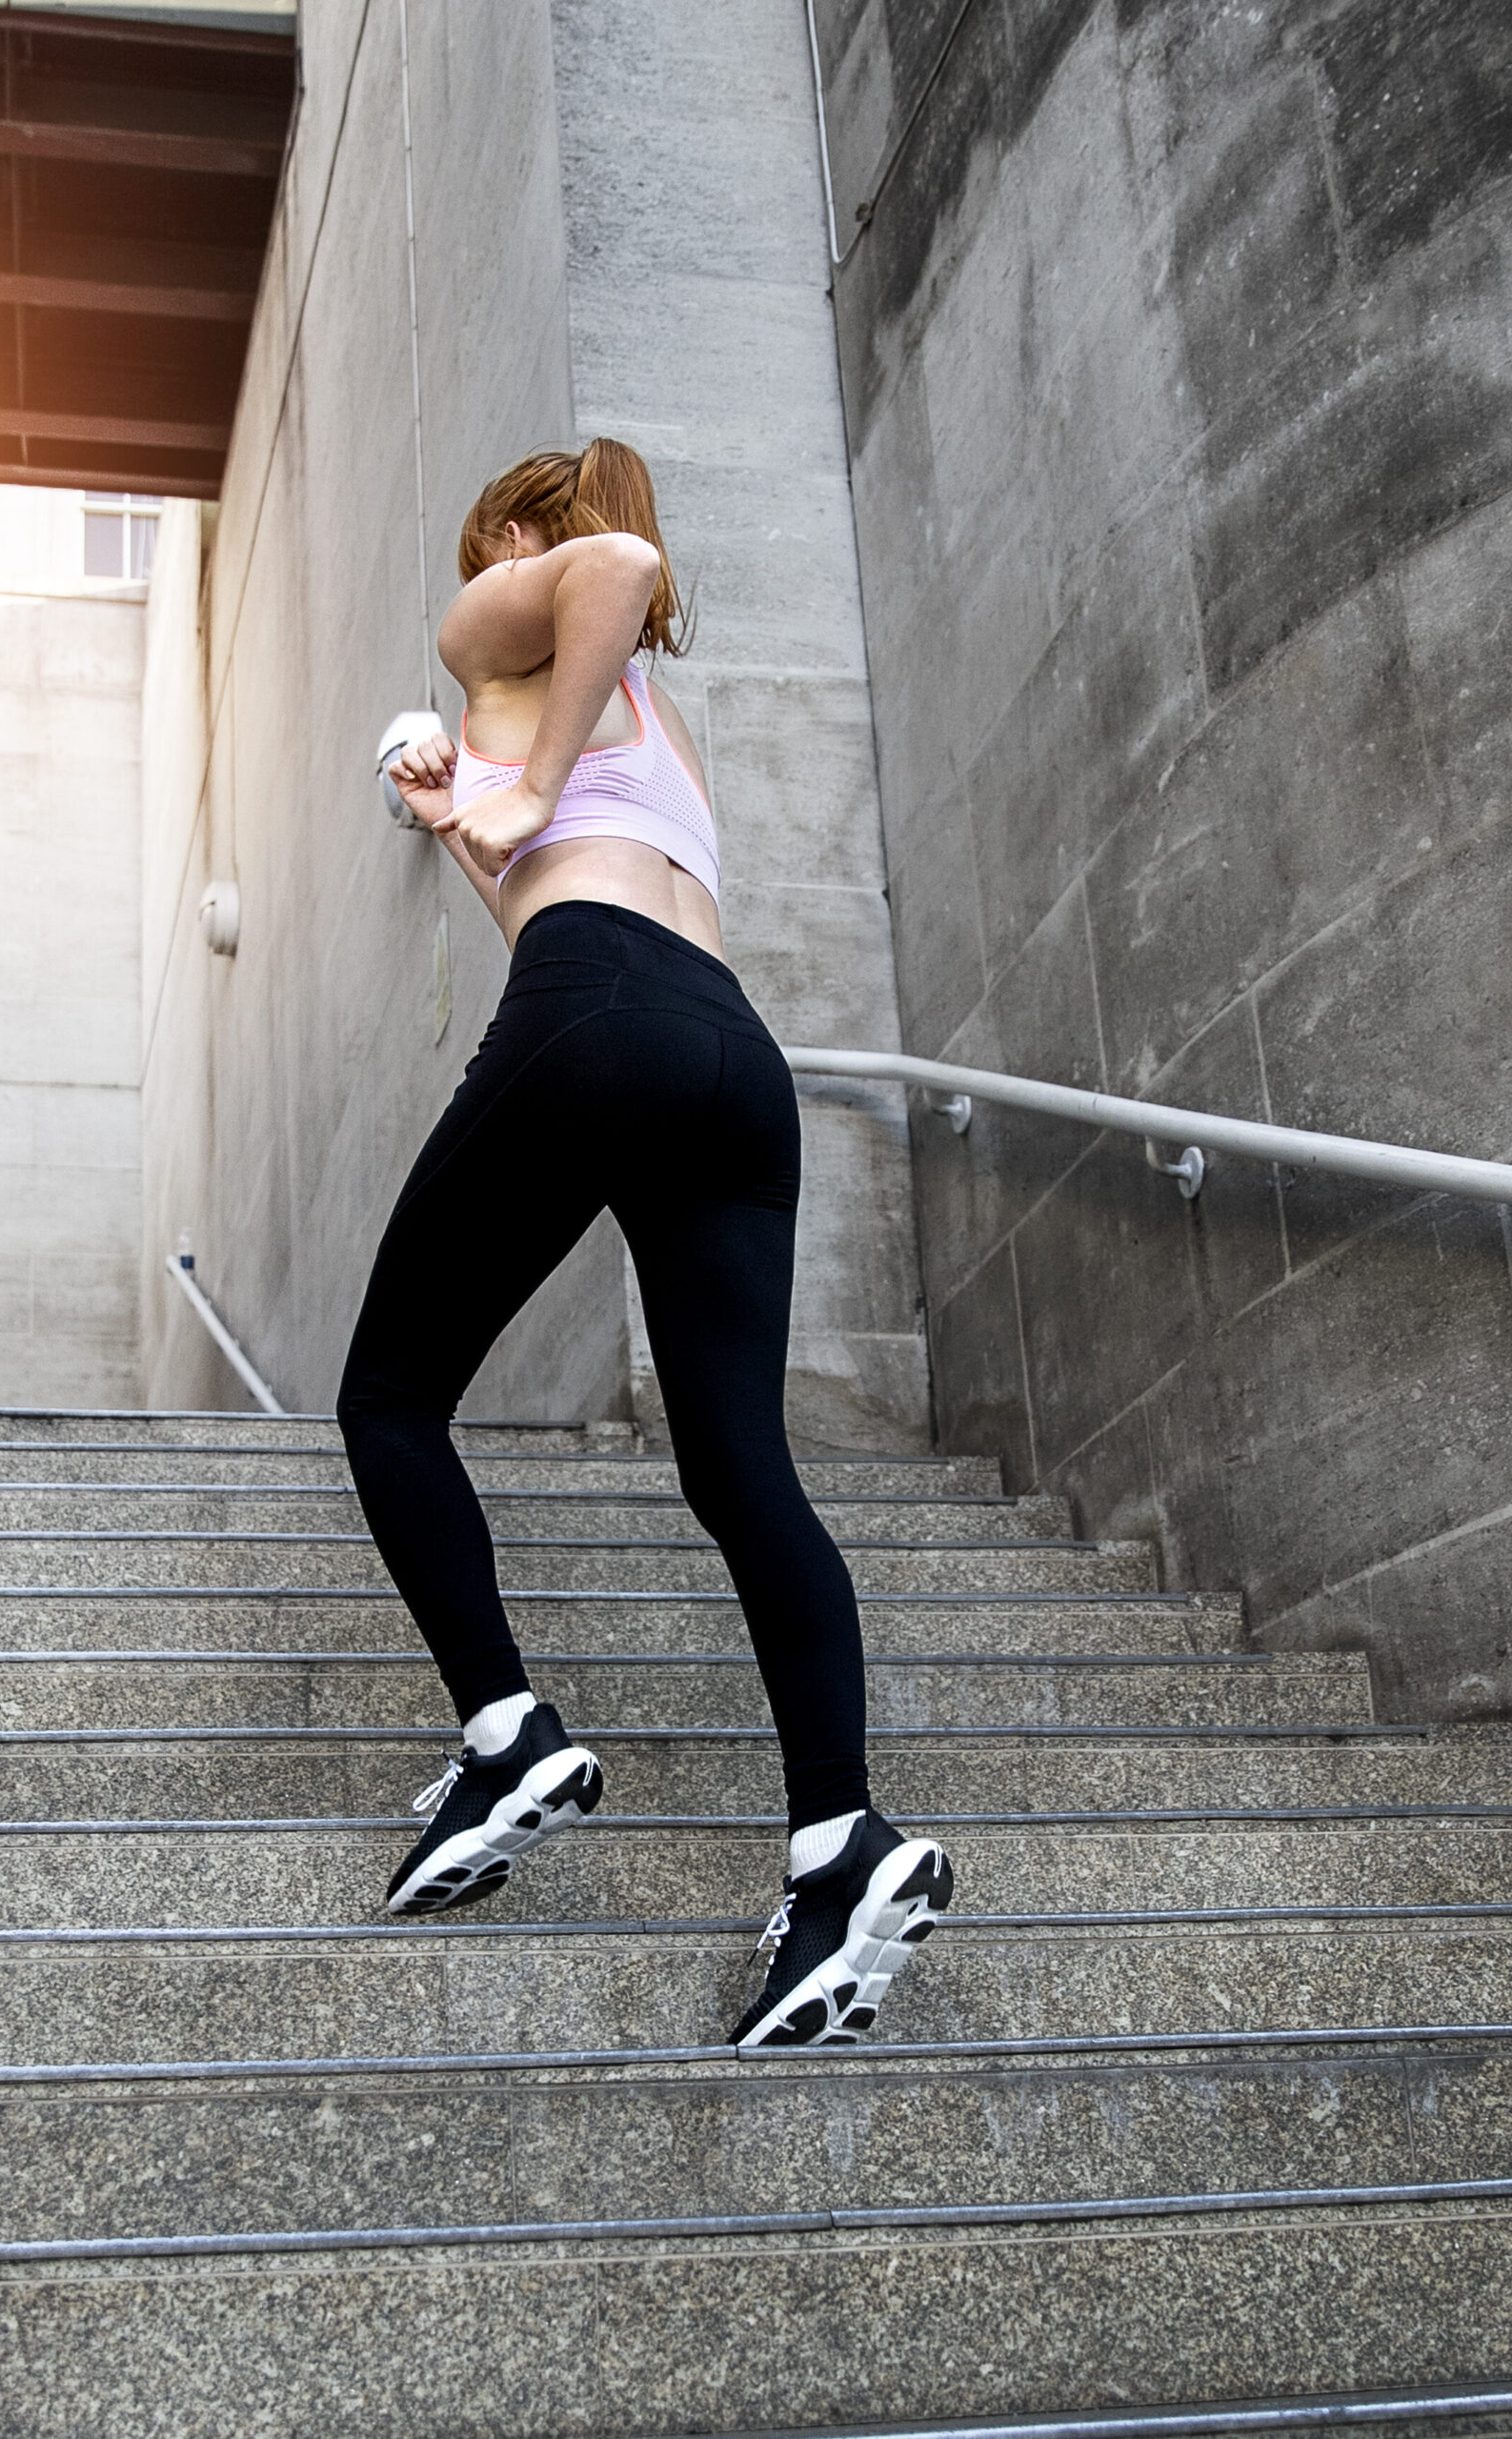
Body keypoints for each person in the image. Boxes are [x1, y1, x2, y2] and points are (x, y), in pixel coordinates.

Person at [337, 438, 951, 2050]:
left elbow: (614, 571)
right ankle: (839, 1844)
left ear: (519, 535)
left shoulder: (510, 611)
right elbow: (549, 886)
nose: (493, 580)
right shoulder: (649, 727)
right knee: (737, 1468)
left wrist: (510, 775)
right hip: (726, 1060)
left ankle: (505, 1733)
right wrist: (470, 817)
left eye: (498, 546)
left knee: (389, 1401)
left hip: (600, 1011)